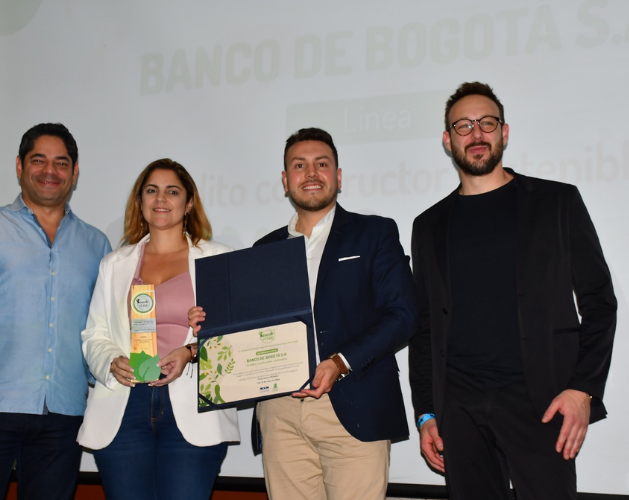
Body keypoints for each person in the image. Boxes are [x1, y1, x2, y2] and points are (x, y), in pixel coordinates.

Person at [408, 82, 617, 500]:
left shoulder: (557, 202)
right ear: (448, 141)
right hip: (460, 405)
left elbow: (599, 300)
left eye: (487, 122)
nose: (477, 133)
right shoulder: (428, 225)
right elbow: (425, 327)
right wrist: (427, 413)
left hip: (540, 400)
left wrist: (583, 390)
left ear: (505, 132)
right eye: (463, 126)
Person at [220, 127, 416, 500]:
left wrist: (340, 362)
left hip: (354, 403)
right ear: (285, 180)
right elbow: (249, 330)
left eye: (321, 164)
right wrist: (212, 326)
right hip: (280, 412)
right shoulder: (265, 248)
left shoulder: (374, 233)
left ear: (338, 177)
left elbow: (403, 315)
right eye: (299, 165)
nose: (311, 173)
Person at [0, 123, 112, 500]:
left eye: (61, 163)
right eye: (38, 160)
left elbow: (103, 325)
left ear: (75, 172)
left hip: (63, 410)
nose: (50, 171)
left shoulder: (96, 243)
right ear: (19, 166)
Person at [76, 158, 240, 500]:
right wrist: (109, 361)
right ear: (140, 201)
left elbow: (238, 338)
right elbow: (95, 334)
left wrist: (191, 351)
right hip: (124, 407)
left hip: (193, 407)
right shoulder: (114, 263)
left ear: (189, 203)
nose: (161, 198)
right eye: (151, 190)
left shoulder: (218, 259)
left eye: (172, 191)